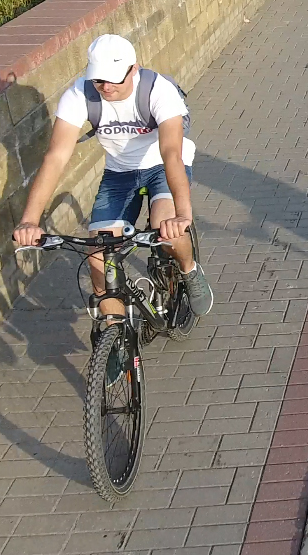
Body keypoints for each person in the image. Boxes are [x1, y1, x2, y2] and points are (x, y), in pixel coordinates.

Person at [12, 35, 215, 355]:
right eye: (98, 80)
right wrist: (29, 220)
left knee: (166, 228)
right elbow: (55, 158)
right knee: (97, 254)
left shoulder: (157, 90)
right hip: (119, 175)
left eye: (112, 80)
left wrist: (183, 213)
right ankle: (116, 342)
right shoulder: (80, 93)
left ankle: (190, 271)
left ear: (134, 69)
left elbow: (172, 153)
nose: (104, 87)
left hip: (162, 166)